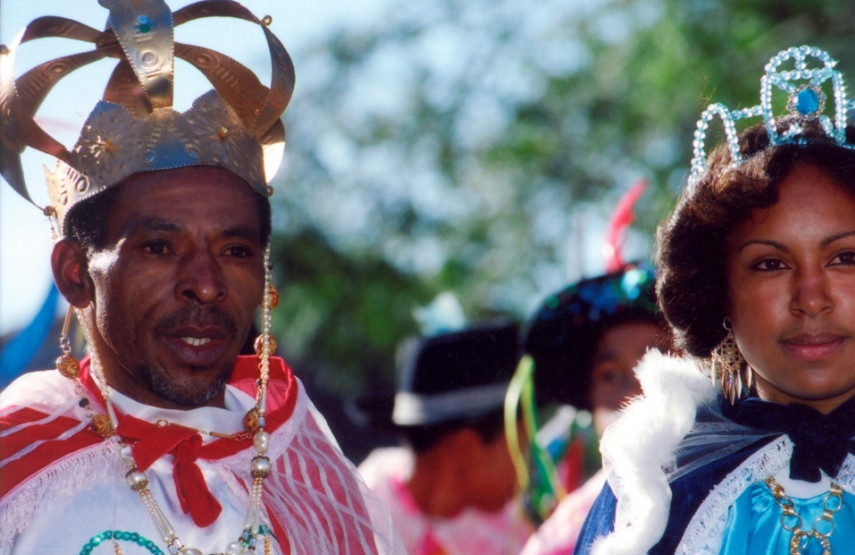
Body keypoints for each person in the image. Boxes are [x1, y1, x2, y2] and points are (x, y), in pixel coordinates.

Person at [0, 2, 401, 554]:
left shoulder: (300, 457)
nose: (206, 285)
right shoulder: (17, 464)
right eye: (159, 248)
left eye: (235, 250)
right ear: (75, 275)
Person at [575, 45, 855, 554]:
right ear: (722, 294)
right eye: (770, 264)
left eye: (844, 257)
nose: (810, 298)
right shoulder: (658, 492)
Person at [517, 263, 672, 555]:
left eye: (656, 359)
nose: (634, 392)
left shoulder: (754, 493)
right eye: (610, 375)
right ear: (589, 396)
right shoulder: (562, 541)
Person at [358, 321, 534, 554]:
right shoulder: (357, 509)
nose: (528, 466)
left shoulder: (514, 533)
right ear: (466, 447)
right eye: (520, 442)